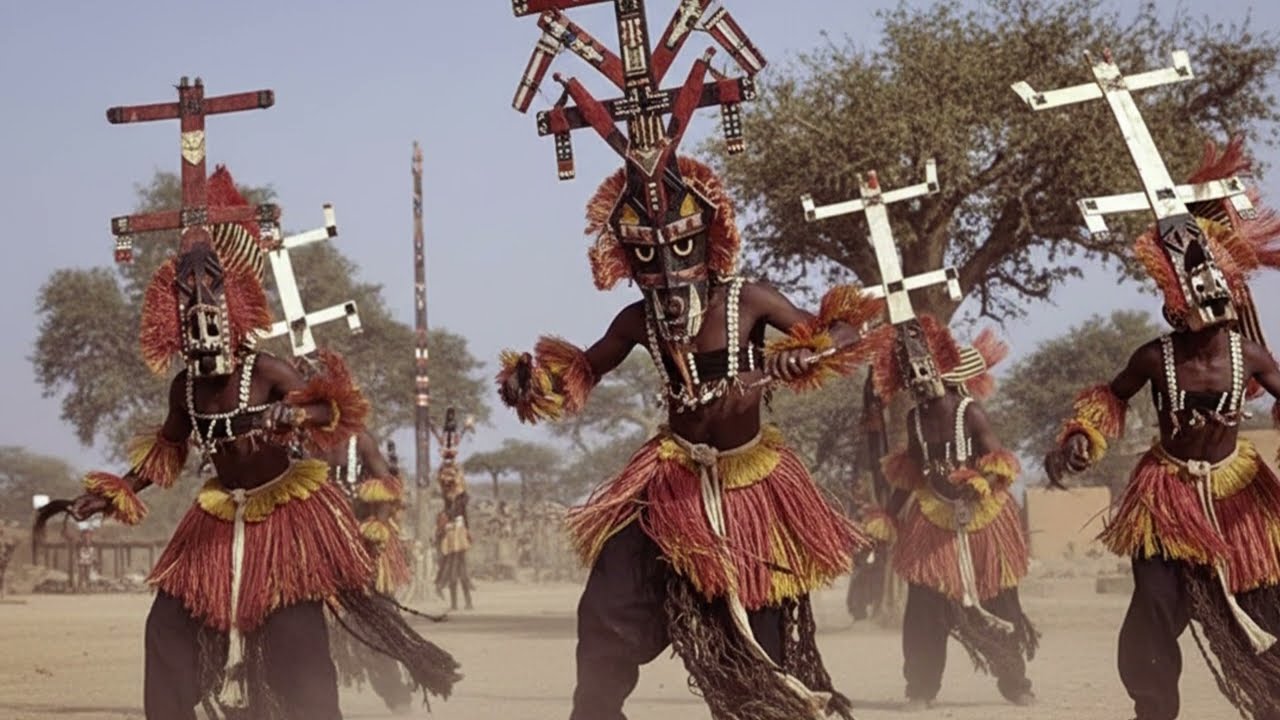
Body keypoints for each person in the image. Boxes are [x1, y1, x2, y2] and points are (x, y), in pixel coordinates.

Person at [64, 166, 460, 720]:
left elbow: (334, 409)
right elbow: (166, 453)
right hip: (216, 523)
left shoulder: (268, 370)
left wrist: (291, 413)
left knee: (294, 642)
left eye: (213, 312)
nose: (203, 326)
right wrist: (112, 494)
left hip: (287, 523)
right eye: (190, 314)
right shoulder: (185, 390)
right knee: (168, 624)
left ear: (234, 315)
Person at [1045, 139, 1280, 720]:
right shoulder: (1155, 357)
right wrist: (1081, 439)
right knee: (1154, 604)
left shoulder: (1246, 354)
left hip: (1236, 497)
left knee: (1264, 604)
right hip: (1166, 499)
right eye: (1194, 288)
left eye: (1214, 284)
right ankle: (1153, 708)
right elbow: (1109, 397)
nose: (1208, 293)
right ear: (1174, 301)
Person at [862, 319, 1036, 710]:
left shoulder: (969, 412)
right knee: (924, 605)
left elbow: (999, 460)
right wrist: (887, 518)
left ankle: (1016, 683)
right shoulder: (915, 420)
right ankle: (920, 688)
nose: (921, 380)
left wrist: (982, 482)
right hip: (933, 520)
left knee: (1000, 600)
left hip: (982, 520)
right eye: (912, 374)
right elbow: (907, 476)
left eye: (926, 369)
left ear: (943, 367)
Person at [318, 423, 416, 715]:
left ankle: (398, 700)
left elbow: (388, 487)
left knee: (376, 635)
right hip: (323, 549)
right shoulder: (306, 441)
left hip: (366, 549)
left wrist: (376, 526)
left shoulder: (360, 441)